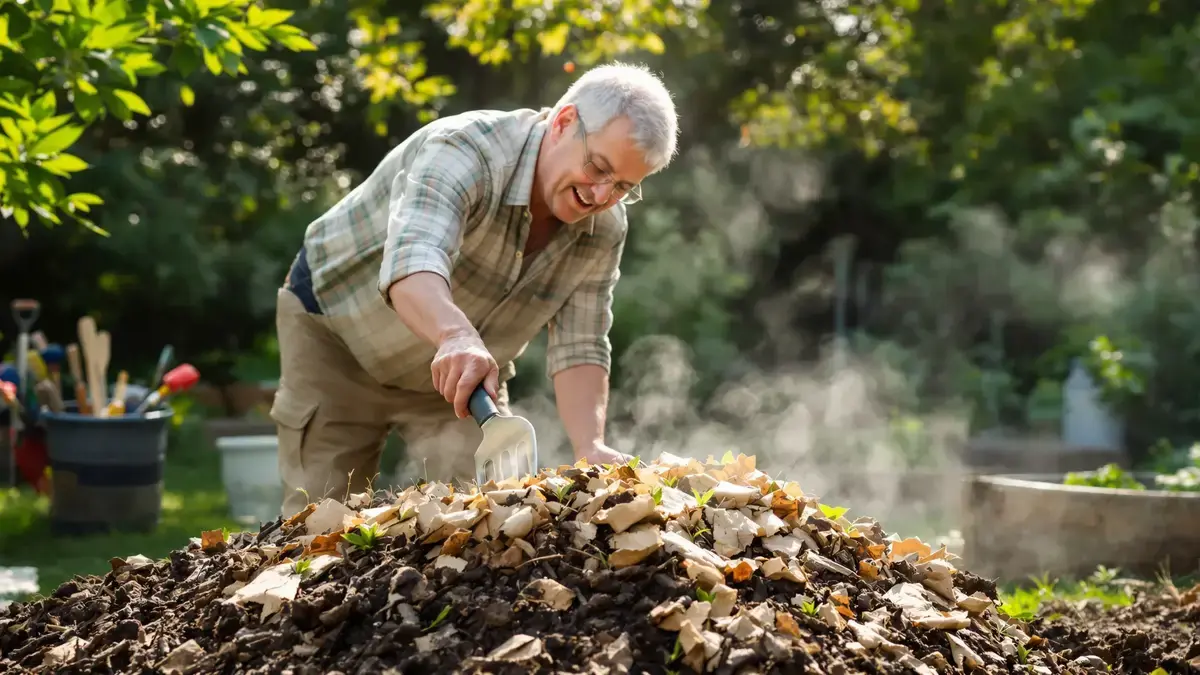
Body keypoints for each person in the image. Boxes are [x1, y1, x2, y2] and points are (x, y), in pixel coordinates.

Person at [272, 61, 680, 515]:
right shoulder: (465, 149)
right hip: (339, 340)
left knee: (490, 521)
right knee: (321, 526)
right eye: (598, 167)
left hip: (462, 380)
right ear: (564, 122)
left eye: (623, 186)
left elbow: (581, 343)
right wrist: (454, 335)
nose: (602, 196)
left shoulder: (604, 227)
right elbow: (414, 258)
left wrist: (591, 444)